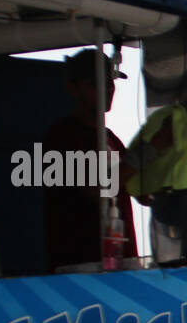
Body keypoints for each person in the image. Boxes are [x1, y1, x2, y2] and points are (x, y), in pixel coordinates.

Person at [43, 48, 140, 272]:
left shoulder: (110, 138)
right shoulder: (61, 137)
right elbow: (96, 190)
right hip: (80, 267)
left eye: (110, 83)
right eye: (94, 84)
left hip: (121, 263)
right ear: (72, 88)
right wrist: (144, 154)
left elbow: (144, 192)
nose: (107, 90)